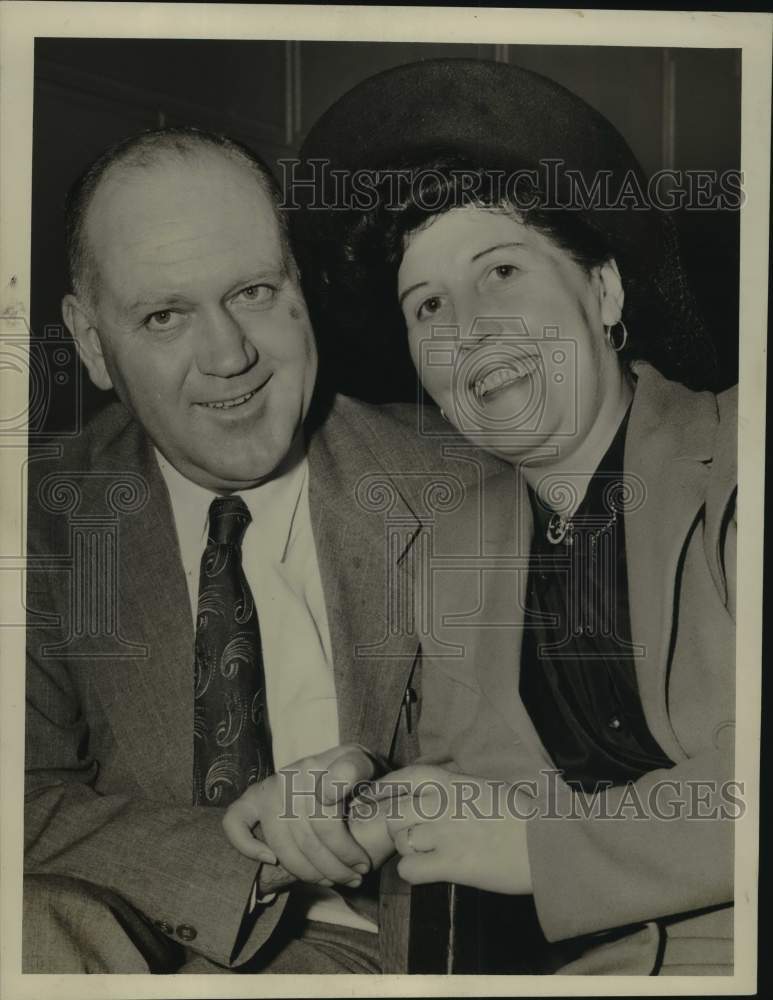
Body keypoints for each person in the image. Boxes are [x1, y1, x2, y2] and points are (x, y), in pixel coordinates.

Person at [292, 58, 738, 975]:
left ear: (604, 293)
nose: (466, 328)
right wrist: (359, 803)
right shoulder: (455, 545)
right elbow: (476, 787)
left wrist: (542, 851)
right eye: (428, 306)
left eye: (500, 269)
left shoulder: (741, 456)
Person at [23, 125, 490, 973]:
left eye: (252, 293)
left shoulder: (460, 487)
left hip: (372, 947)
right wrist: (251, 851)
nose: (229, 355)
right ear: (92, 345)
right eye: (164, 315)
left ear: (300, 287)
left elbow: (529, 763)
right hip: (108, 938)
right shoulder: (39, 524)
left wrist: (366, 783)